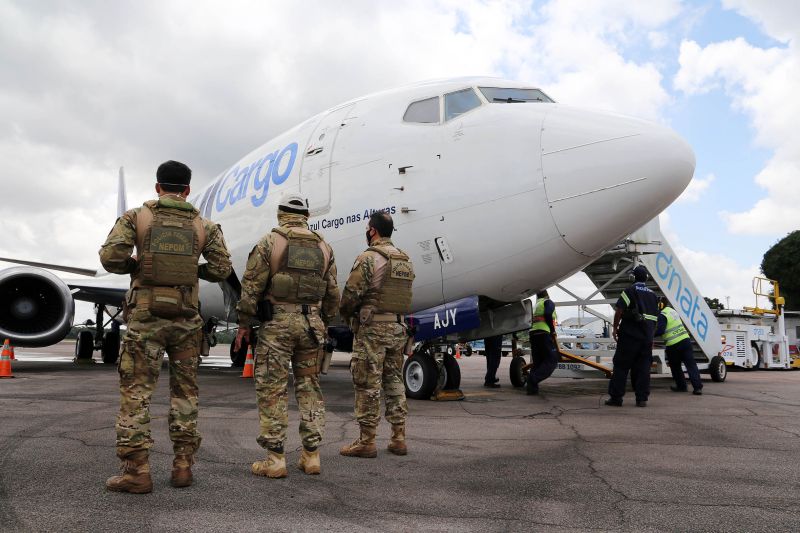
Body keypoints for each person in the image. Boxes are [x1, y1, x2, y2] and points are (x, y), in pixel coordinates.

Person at [99, 160, 232, 493]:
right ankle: (183, 468)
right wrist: (189, 270)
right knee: (185, 396)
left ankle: (137, 473)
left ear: (158, 187)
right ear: (187, 190)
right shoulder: (206, 226)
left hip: (146, 319)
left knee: (136, 396)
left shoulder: (136, 217)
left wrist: (139, 264)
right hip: (187, 321)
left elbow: (110, 258)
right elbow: (221, 269)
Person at [234, 194, 339, 478]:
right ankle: (311, 455)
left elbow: (251, 288)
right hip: (311, 327)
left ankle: (276, 458)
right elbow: (332, 294)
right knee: (310, 389)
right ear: (307, 215)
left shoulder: (270, 242)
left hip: (277, 328)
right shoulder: (324, 247)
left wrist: (244, 324)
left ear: (281, 214)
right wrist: (323, 321)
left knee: (273, 390)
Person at [339, 211, 414, 458]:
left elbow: (350, 294)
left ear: (372, 230)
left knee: (368, 384)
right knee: (394, 381)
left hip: (373, 330)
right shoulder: (404, 260)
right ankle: (398, 438)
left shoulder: (369, 257)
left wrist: (348, 315)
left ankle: (367, 441)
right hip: (398, 328)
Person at [606, 265, 659, 407]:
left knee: (621, 366)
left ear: (633, 277)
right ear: (646, 278)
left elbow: (619, 311)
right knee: (643, 369)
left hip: (629, 337)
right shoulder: (653, 296)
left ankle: (616, 398)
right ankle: (641, 399)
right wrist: (651, 338)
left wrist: (615, 328)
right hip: (646, 338)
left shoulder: (629, 291)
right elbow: (655, 320)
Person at [655, 297, 703, 395]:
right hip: (685, 341)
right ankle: (697, 388)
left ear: (660, 305)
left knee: (675, 367)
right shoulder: (672, 311)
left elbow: (661, 330)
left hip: (673, 345)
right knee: (691, 365)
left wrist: (649, 335)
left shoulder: (662, 315)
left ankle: (682, 386)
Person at [526, 290, 559, 395]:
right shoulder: (547, 302)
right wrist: (552, 330)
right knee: (552, 360)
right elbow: (548, 314)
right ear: (547, 295)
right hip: (543, 333)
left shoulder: (535, 305)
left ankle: (532, 389)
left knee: (538, 362)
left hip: (533, 334)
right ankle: (533, 379)